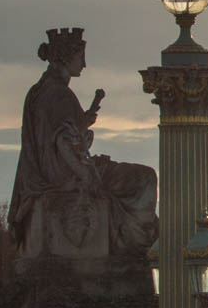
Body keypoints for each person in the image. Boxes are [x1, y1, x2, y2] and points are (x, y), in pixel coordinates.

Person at [8, 27, 157, 260]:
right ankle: (134, 245)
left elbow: (54, 136)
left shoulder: (38, 92)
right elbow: (65, 143)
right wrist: (88, 177)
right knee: (145, 178)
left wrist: (82, 123)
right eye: (81, 58)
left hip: (48, 174)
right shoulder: (60, 94)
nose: (84, 65)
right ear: (67, 57)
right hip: (68, 175)